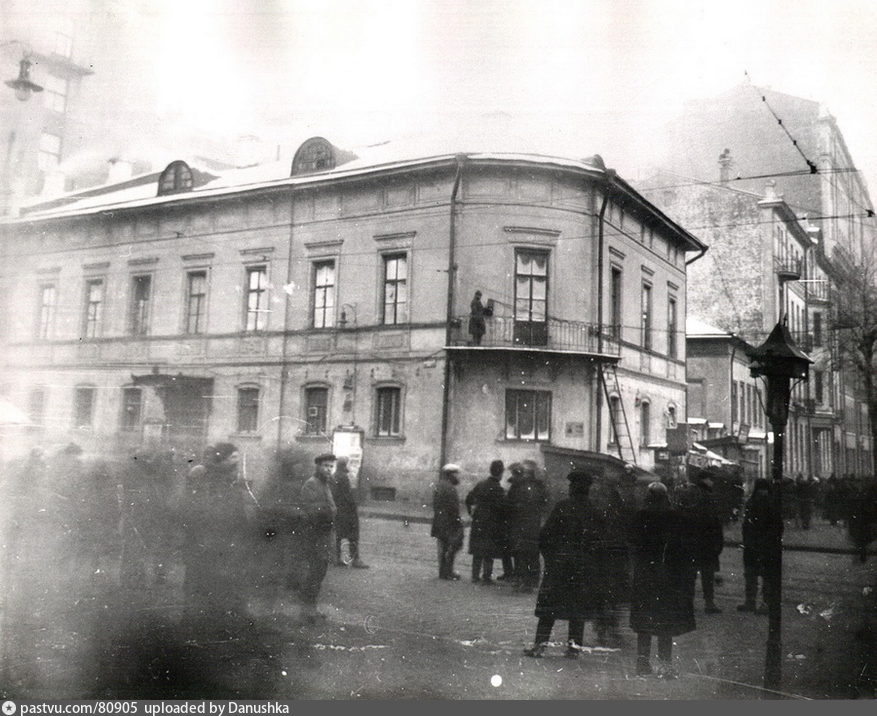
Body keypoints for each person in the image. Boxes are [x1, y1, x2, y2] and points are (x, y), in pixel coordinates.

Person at [523, 470, 607, 659]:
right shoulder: (594, 512)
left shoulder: (562, 507)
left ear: (574, 488)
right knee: (577, 610)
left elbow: (545, 536)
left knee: (548, 608)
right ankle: (573, 649)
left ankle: (539, 647)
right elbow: (601, 543)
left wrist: (551, 558)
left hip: (559, 566)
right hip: (582, 568)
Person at [629, 481, 696, 678]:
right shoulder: (675, 517)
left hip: (645, 575)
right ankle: (665, 665)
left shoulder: (640, 516)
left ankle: (642, 663)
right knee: (665, 622)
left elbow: (632, 543)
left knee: (644, 622)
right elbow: (683, 547)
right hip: (668, 575)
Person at [182, 443, 250, 630]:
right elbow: (197, 507)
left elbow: (236, 507)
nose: (238, 461)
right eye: (234, 458)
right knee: (200, 578)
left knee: (219, 579)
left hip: (224, 536)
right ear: (224, 458)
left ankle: (214, 620)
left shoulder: (230, 477)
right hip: (205, 537)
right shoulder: (205, 475)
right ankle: (194, 622)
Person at [673, 469, 724, 614]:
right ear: (705, 479)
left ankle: (687, 603)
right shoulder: (708, 496)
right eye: (711, 479)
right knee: (707, 574)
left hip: (691, 539)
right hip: (707, 540)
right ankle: (709, 603)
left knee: (690, 573)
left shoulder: (690, 493)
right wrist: (718, 541)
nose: (712, 482)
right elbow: (714, 521)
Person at [299, 453, 338, 622]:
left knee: (319, 573)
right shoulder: (311, 484)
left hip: (324, 535)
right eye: (325, 466)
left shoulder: (325, 484)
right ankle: (307, 610)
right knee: (314, 574)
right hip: (315, 536)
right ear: (318, 466)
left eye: (331, 466)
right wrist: (329, 511)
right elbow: (311, 510)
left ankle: (311, 608)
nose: (329, 469)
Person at [507, 459, 548, 593]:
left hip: (519, 524)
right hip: (534, 525)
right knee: (532, 553)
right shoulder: (540, 487)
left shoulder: (518, 486)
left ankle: (521, 579)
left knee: (520, 553)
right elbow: (544, 503)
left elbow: (510, 504)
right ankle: (532, 581)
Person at [737, 478, 776, 614]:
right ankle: (765, 603)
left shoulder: (752, 501)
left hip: (752, 544)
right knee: (767, 575)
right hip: (767, 544)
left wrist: (747, 538)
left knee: (751, 574)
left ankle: (751, 602)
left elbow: (746, 524)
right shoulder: (772, 502)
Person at [465, 459, 507, 584]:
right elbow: (502, 508)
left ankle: (474, 576)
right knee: (489, 551)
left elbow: (468, 499)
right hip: (491, 523)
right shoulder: (498, 489)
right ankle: (487, 577)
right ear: (500, 473)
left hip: (478, 521)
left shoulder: (481, 484)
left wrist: (471, 513)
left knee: (478, 549)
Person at [331, 456, 369, 569]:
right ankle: (355, 560)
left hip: (338, 511)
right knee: (353, 535)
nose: (350, 466)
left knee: (338, 535)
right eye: (349, 463)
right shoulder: (344, 477)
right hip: (347, 511)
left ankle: (337, 558)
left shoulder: (335, 476)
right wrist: (354, 505)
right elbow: (347, 496)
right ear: (344, 465)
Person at [431, 463, 464, 580]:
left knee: (442, 547)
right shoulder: (450, 488)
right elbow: (454, 508)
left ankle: (443, 572)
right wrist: (458, 522)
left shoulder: (439, 485)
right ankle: (448, 572)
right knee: (451, 547)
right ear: (451, 475)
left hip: (439, 521)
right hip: (449, 522)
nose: (458, 478)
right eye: (456, 475)